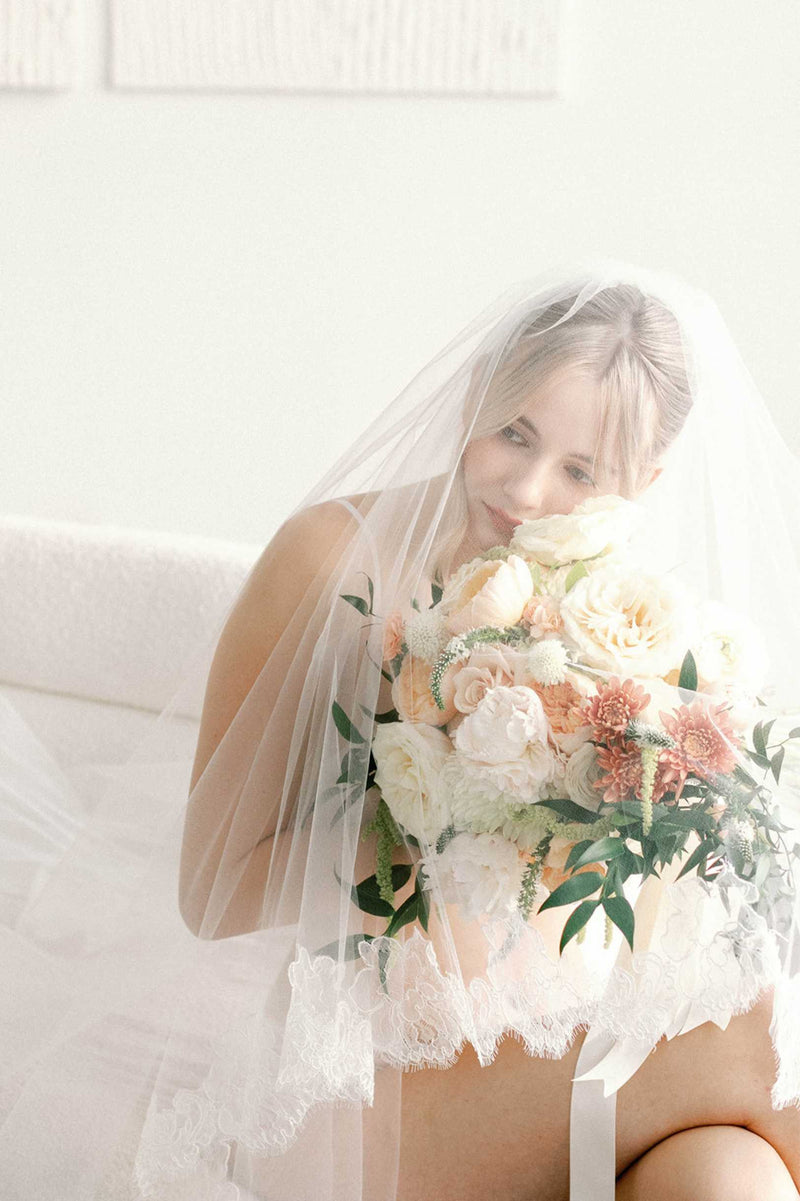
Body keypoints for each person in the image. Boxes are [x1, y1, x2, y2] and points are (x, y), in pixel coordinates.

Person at [2, 261, 800, 1201]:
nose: (529, 489)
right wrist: (457, 819)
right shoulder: (337, 557)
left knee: (733, 1177)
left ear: (645, 481)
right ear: (476, 396)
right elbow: (208, 893)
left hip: (548, 1044)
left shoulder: (627, 618)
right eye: (515, 432)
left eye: (581, 471)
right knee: (754, 1039)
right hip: (363, 1073)